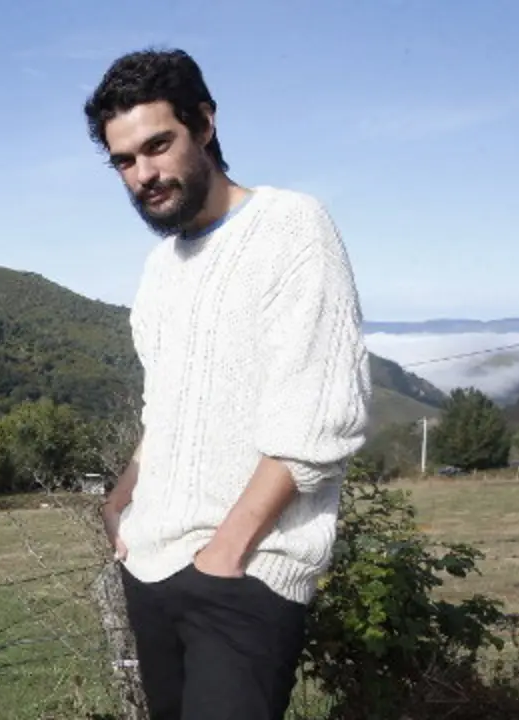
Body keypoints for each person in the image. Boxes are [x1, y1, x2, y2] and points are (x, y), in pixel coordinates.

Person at [82, 48, 371, 719]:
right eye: (125, 160)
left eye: (159, 144)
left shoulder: (292, 226)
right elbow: (167, 407)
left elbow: (320, 416)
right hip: (150, 565)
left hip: (244, 572)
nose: (144, 174)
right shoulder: (160, 269)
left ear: (205, 124)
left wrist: (228, 549)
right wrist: (121, 501)